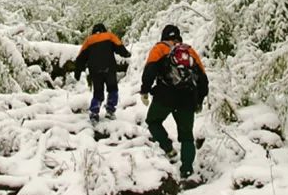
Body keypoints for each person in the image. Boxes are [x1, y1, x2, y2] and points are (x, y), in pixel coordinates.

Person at [140, 24, 208, 178]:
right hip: (187, 98)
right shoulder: (189, 51)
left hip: (165, 96)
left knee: (153, 121)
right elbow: (203, 78)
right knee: (186, 136)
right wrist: (199, 100)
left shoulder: (159, 49)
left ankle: (168, 148)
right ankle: (187, 170)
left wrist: (144, 90)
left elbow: (149, 71)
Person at [74, 23, 131, 122]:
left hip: (95, 71)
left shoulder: (89, 40)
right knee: (112, 89)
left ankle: (94, 113)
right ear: (104, 29)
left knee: (98, 92)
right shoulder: (109, 36)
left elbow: (80, 58)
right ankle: (110, 110)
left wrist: (77, 72)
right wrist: (126, 53)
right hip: (109, 68)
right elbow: (119, 46)